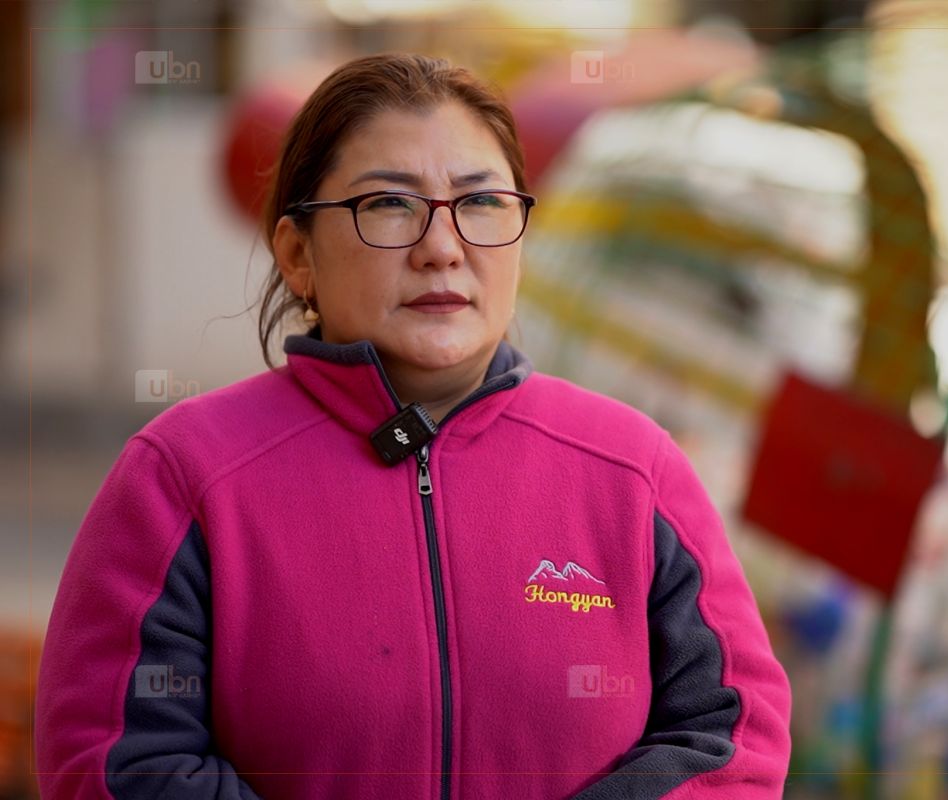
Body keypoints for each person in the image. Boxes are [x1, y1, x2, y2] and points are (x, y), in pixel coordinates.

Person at [35, 53, 792, 799]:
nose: (442, 248)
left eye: (481, 201)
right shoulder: (184, 475)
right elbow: (113, 760)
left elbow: (736, 737)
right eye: (389, 204)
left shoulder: (632, 469)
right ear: (298, 255)